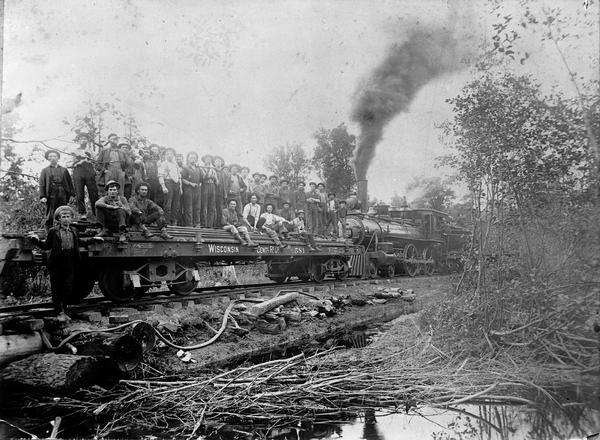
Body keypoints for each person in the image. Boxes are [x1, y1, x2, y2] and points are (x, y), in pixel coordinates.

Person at [28, 206, 103, 316]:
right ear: (59, 219)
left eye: (68, 217)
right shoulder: (53, 231)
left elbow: (80, 242)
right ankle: (58, 311)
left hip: (71, 261)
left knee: (67, 286)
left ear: (71, 218)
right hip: (57, 262)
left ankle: (64, 308)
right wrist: (35, 239)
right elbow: (46, 246)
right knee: (56, 287)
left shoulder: (74, 230)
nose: (66, 219)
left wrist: (94, 239)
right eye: (63, 217)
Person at [39, 149, 75, 230]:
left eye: (54, 156)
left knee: (63, 212)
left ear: (58, 158)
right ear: (48, 158)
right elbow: (42, 184)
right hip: (51, 193)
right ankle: (49, 232)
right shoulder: (45, 170)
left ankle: (63, 231)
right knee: (50, 214)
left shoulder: (64, 170)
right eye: (50, 156)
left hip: (63, 193)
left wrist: (72, 194)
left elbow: (69, 183)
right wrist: (42, 196)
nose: (52, 158)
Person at [71, 132, 99, 221]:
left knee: (93, 193)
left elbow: (96, 162)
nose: (83, 140)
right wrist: (79, 161)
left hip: (89, 172)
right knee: (79, 193)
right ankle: (82, 213)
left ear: (87, 140)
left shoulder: (91, 151)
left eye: (85, 139)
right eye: (81, 139)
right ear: (78, 140)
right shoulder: (74, 151)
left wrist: (89, 159)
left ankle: (96, 213)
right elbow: (70, 164)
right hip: (78, 172)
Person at [158, 147, 182, 225]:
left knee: (176, 204)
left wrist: (180, 187)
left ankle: (174, 221)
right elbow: (160, 175)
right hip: (168, 183)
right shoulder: (163, 164)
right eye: (167, 154)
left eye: (171, 154)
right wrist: (163, 186)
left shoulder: (175, 165)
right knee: (168, 204)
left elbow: (179, 176)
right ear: (165, 155)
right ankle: (167, 222)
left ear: (173, 155)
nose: (169, 155)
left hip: (177, 184)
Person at [181, 152, 202, 227]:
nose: (193, 159)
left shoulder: (198, 169)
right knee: (189, 208)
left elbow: (202, 179)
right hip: (188, 190)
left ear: (196, 159)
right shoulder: (185, 168)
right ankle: (189, 225)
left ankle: (197, 224)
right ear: (188, 159)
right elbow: (182, 179)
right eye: (191, 157)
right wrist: (190, 183)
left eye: (194, 158)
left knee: (197, 208)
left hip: (197, 190)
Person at [200, 154, 218, 227]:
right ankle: (203, 224)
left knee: (211, 206)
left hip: (212, 187)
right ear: (204, 160)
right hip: (205, 186)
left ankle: (210, 225)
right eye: (207, 159)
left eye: (210, 159)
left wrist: (214, 178)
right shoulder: (201, 168)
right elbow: (203, 178)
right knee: (204, 205)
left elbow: (217, 182)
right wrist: (208, 171)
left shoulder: (213, 169)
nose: (208, 160)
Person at [213, 156, 228, 223]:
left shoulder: (223, 173)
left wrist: (225, 194)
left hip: (221, 193)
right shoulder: (212, 170)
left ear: (222, 163)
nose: (218, 163)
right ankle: (211, 223)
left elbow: (225, 184)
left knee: (220, 209)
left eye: (220, 161)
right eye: (217, 161)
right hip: (213, 192)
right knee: (212, 208)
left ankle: (218, 224)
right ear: (214, 163)